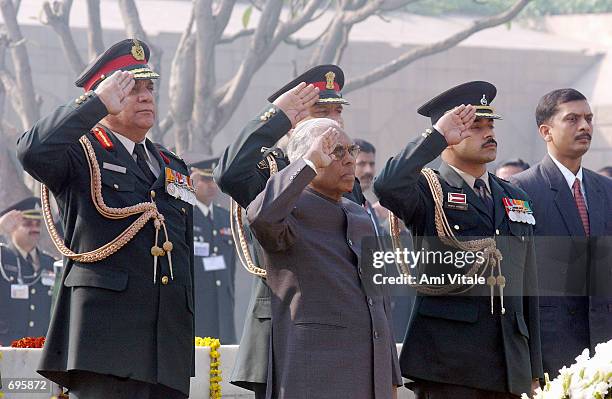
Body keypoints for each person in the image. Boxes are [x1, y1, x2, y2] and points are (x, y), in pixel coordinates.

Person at [17, 39, 195, 398]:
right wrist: (93, 104)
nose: (145, 96)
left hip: (166, 349)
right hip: (105, 346)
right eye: (131, 89)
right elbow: (32, 150)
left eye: (149, 88)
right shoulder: (82, 152)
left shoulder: (172, 164)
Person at [374, 81, 543, 398]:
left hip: (510, 363)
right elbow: (387, 185)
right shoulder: (429, 190)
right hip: (448, 363)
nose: (488, 133)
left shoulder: (514, 197)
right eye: (474, 126)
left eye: (490, 124)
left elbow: (528, 285)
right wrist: (434, 137)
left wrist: (534, 367)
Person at [214, 65, 365, 399]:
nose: (333, 122)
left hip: (345, 334)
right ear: (295, 119)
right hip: (286, 330)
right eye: (320, 112)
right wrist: (276, 117)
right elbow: (228, 172)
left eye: (337, 111)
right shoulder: (272, 170)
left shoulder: (346, 178)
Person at [247, 118, 401, 398]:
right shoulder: (288, 209)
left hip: (369, 377)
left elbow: (380, 301)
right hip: (314, 377)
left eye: (350, 150)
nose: (349, 161)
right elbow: (260, 217)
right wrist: (308, 163)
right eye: (335, 152)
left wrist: (390, 376)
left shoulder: (360, 214)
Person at [511, 88, 612, 377]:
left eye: (589, 119)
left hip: (604, 353)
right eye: (572, 119)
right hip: (551, 356)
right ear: (546, 131)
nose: (585, 126)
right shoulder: (520, 190)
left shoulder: (606, 190)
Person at [190, 156, 237, 344]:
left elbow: (231, 264)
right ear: (193, 181)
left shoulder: (224, 217)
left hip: (223, 305)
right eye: (204, 180)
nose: (211, 186)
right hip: (198, 305)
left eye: (213, 181)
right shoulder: (186, 216)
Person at [0, 197, 57, 346]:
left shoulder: (50, 263)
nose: (35, 228)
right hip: (6, 350)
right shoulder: (2, 258)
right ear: (12, 227)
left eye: (38, 223)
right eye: (27, 223)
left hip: (39, 351)